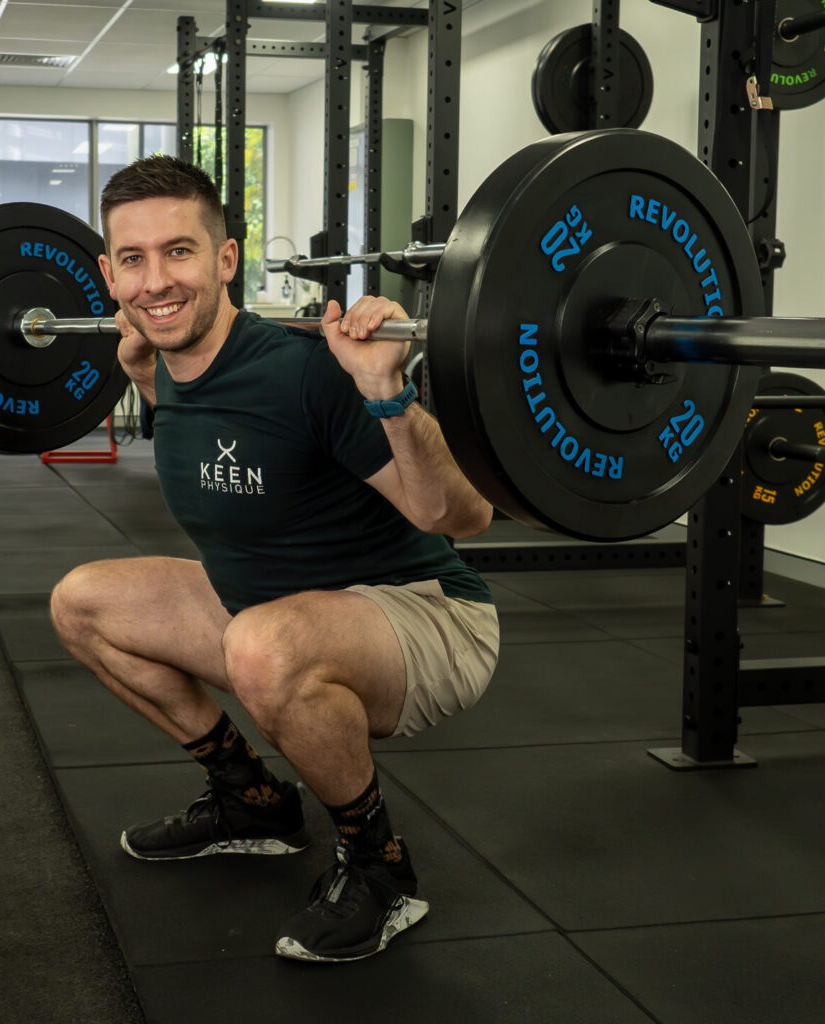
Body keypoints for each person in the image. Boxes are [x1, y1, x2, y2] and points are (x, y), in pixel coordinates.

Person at [50, 154, 500, 964]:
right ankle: (250, 799)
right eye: (133, 259)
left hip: (425, 615)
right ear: (107, 277)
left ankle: (381, 868)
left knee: (263, 645)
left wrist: (387, 395)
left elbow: (464, 516)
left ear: (226, 260)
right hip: (273, 603)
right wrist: (148, 380)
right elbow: (224, 434)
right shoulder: (160, 363)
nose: (156, 281)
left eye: (179, 252)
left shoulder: (304, 371)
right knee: (81, 602)